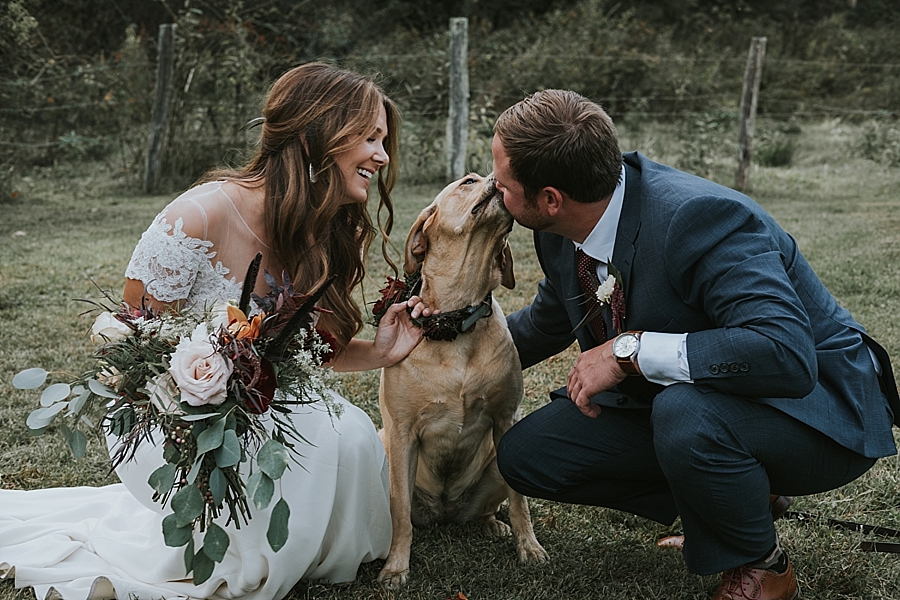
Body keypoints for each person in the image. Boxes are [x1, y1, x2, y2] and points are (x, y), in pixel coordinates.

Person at [0, 62, 433, 600]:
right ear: (316, 135)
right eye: (370, 138)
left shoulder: (320, 228)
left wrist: (381, 351)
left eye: (383, 141)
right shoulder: (199, 218)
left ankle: (295, 544)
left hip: (261, 403)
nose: (383, 156)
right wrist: (202, 400)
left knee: (347, 430)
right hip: (169, 418)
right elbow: (133, 350)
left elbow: (302, 356)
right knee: (320, 436)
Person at [492, 89, 899, 600]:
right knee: (528, 455)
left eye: (502, 185)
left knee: (685, 413)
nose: (495, 192)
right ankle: (730, 497)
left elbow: (785, 353)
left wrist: (630, 351)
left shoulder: (700, 217)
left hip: (817, 409)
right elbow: (547, 322)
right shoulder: (558, 229)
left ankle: (764, 567)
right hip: (702, 400)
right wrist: (446, 337)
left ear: (550, 197)